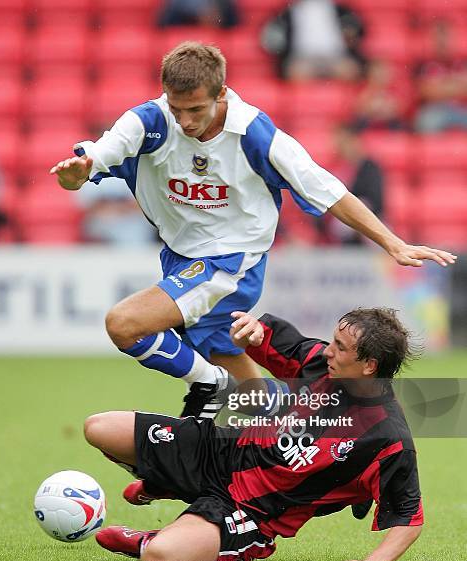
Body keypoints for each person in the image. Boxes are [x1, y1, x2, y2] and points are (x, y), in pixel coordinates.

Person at [50, 42, 455, 420]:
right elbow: (87, 167)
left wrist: (393, 243)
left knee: (125, 324)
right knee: (257, 401)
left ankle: (209, 385)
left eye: (195, 110)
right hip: (181, 256)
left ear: (221, 94)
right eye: (177, 109)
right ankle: (321, 425)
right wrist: (73, 177)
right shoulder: (148, 123)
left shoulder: (256, 136)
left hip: (231, 262)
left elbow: (328, 191)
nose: (185, 121)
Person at [84, 307, 423, 561]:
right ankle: (166, 482)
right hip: (220, 452)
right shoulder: (321, 363)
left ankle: (153, 535)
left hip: (251, 509)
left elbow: (410, 516)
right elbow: (272, 340)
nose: (329, 350)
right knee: (98, 428)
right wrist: (252, 330)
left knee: (160, 555)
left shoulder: (387, 437)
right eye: (333, 340)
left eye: (341, 347)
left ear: (369, 366)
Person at [261, 0, 366, 81]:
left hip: (336, 59)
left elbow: (358, 31)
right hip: (301, 60)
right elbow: (271, 41)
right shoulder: (286, 14)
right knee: (297, 72)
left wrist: (351, 35)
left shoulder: (342, 11)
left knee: (350, 70)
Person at [317, 124, 384, 245]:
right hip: (342, 219)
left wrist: (358, 216)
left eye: (344, 142)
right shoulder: (337, 167)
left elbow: (376, 201)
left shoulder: (370, 168)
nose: (341, 147)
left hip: (368, 218)